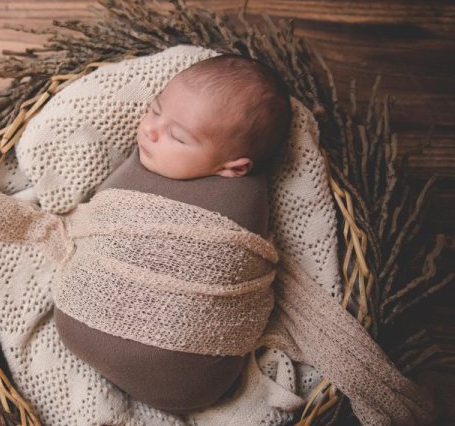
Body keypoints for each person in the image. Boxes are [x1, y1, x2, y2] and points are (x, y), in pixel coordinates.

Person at [54, 54, 293, 413]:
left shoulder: (241, 202)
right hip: (186, 388)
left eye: (177, 136)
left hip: (105, 339)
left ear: (233, 168)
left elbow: (232, 265)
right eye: (155, 110)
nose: (150, 130)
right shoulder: (160, 158)